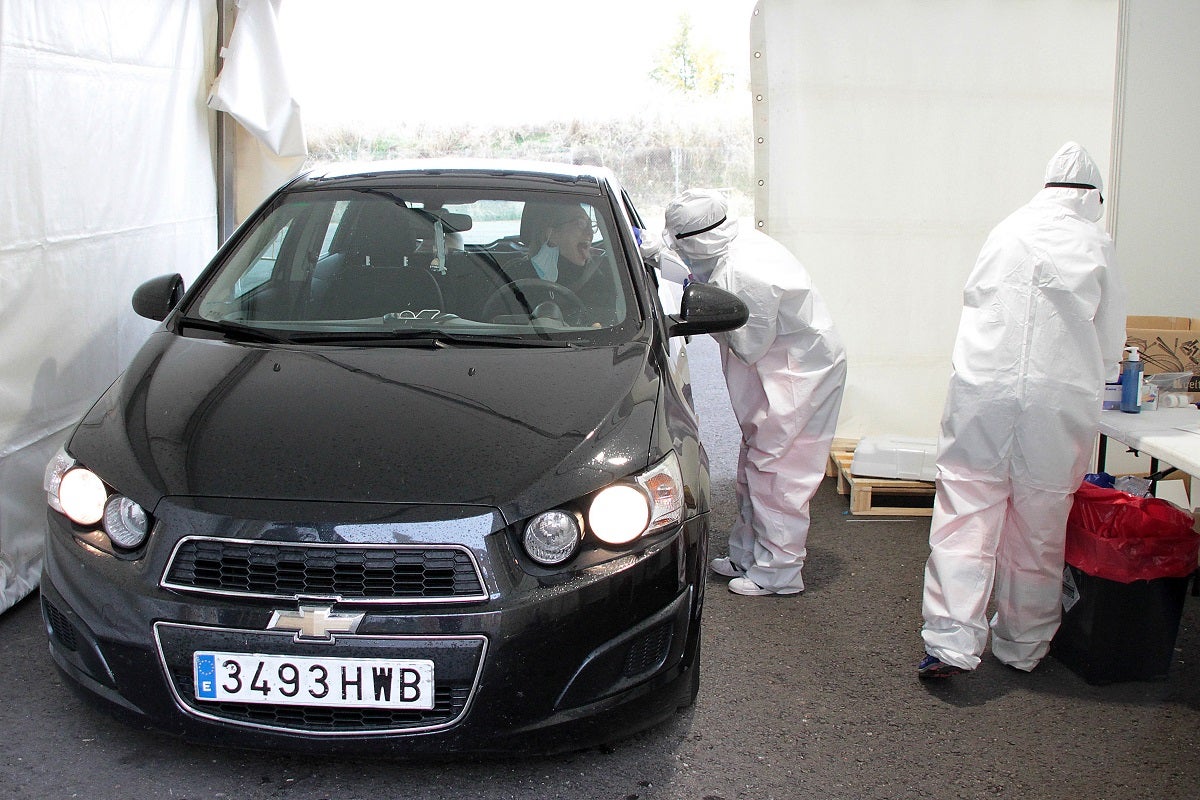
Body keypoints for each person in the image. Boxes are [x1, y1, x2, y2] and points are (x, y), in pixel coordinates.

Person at [918, 141, 1127, 678]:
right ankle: (1023, 646)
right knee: (1038, 528)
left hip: (983, 393)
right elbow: (1108, 343)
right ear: (1092, 195)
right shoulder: (1096, 244)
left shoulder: (1007, 230)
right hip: (1054, 405)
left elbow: (976, 302)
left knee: (965, 514)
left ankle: (949, 642)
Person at [663, 189, 847, 596]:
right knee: (755, 461)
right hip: (776, 371)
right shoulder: (732, 246)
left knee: (779, 473)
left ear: (696, 241)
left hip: (796, 376)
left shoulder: (746, 273)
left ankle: (779, 572)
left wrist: (700, 302)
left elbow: (748, 343)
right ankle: (747, 554)